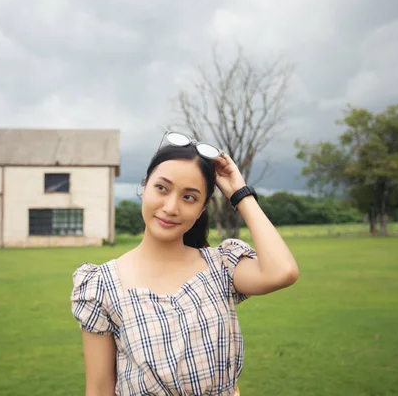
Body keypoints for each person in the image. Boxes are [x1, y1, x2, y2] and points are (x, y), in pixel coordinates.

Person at [71, 132, 299, 396]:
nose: (170, 207)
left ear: (202, 209)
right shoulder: (101, 286)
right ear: (144, 186)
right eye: (161, 188)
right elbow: (99, 389)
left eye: (189, 197)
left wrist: (240, 194)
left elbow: (283, 271)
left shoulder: (221, 267)